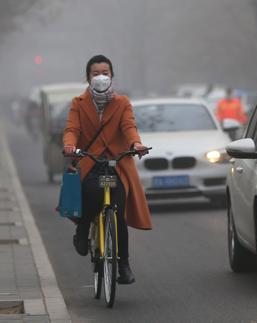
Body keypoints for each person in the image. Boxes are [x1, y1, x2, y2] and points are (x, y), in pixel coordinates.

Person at [63, 55, 151, 284]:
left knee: (118, 211)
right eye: (95, 73)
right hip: (90, 162)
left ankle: (123, 264)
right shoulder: (78, 103)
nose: (101, 77)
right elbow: (72, 128)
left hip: (116, 164)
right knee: (91, 193)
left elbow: (129, 126)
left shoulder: (122, 103)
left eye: (105, 72)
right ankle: (83, 229)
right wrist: (70, 145)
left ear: (112, 75)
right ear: (87, 77)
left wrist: (136, 144)